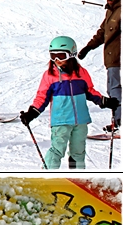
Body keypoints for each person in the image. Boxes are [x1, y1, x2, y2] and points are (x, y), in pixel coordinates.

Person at [20, 36, 117, 168]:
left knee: (78, 152)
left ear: (72, 54)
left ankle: (76, 176)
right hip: (61, 121)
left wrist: (104, 101)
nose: (56, 60)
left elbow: (89, 91)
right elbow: (41, 97)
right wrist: (31, 113)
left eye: (61, 55)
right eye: (52, 56)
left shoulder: (81, 73)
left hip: (80, 121)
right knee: (57, 150)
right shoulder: (50, 76)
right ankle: (48, 175)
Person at [78, 0, 121, 133]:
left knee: (115, 90)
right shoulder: (110, 11)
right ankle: (118, 120)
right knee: (112, 89)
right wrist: (88, 47)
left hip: (119, 57)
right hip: (112, 58)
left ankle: (119, 122)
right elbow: (102, 32)